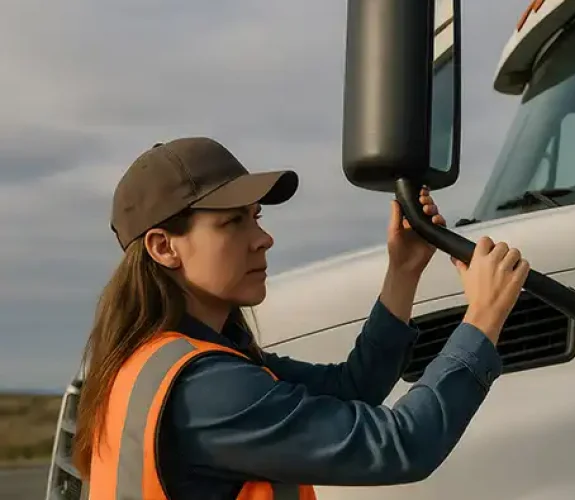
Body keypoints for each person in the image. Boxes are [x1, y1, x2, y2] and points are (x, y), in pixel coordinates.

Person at [71, 137, 529, 499]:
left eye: (256, 216)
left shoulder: (166, 363)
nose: (263, 238)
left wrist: (403, 272)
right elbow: (402, 446)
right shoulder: (205, 389)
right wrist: (483, 319)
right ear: (163, 247)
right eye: (233, 223)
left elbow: (353, 390)